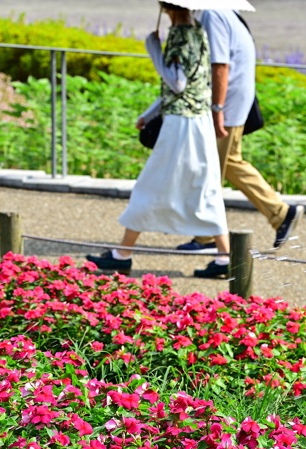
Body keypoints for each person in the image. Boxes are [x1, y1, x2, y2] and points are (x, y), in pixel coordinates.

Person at [87, 2, 231, 279]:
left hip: (180, 126)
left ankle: (122, 255)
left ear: (167, 7)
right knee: (204, 188)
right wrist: (150, 113)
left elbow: (176, 84)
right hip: (198, 121)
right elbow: (188, 86)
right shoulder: (199, 31)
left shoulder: (179, 35)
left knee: (150, 185)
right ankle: (224, 258)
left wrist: (153, 50)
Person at [176, 9, 304, 254]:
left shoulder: (213, 15)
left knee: (206, 169)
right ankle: (280, 213)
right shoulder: (226, 13)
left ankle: (206, 238)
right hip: (234, 103)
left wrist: (216, 109)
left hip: (225, 105)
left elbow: (220, 64)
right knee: (229, 162)